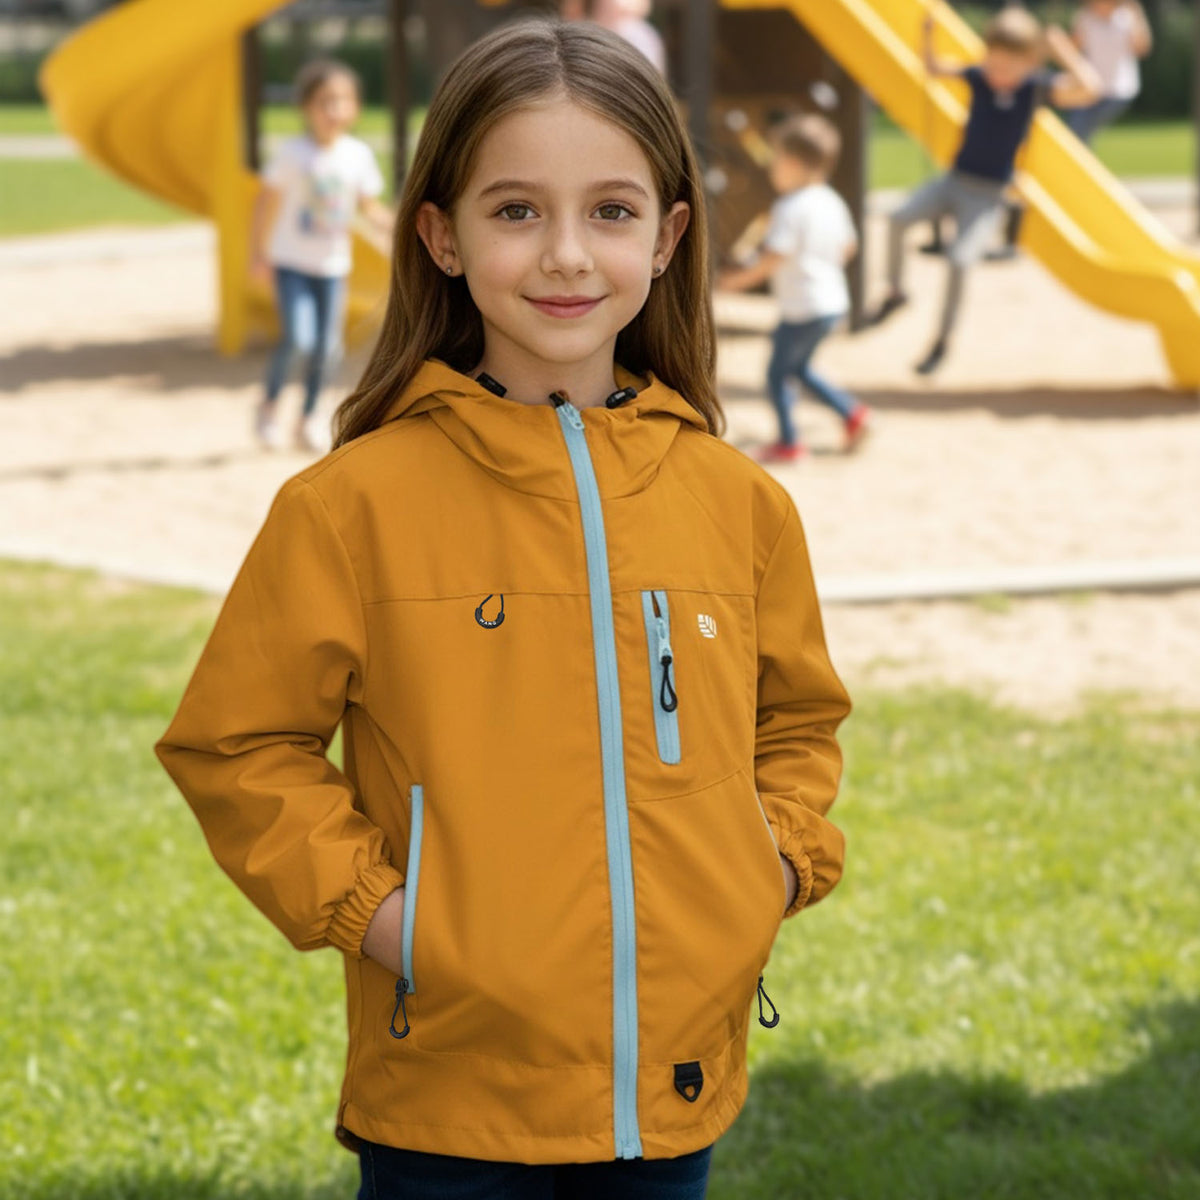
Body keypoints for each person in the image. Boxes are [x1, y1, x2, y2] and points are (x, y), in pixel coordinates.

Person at [156, 19, 850, 1200]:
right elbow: (237, 746)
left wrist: (768, 871)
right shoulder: (348, 507)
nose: (567, 255)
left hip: (672, 1101)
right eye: (517, 210)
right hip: (448, 1102)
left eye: (612, 211)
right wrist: (389, 918)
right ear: (442, 234)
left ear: (670, 236)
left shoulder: (741, 504)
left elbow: (797, 723)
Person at [871, 8, 1100, 375]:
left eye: (1008, 67)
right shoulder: (977, 77)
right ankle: (896, 292)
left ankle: (941, 340)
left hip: (988, 195)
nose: (998, 74)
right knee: (897, 219)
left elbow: (1090, 89)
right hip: (954, 180)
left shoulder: (1034, 88)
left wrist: (1063, 51)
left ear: (1029, 62)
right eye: (993, 63)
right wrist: (928, 35)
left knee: (960, 261)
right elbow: (932, 67)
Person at [249, 60, 393, 453]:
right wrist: (258, 254)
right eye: (324, 101)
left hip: (332, 267)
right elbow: (265, 202)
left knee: (328, 348)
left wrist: (395, 225)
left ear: (355, 107)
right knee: (299, 339)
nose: (334, 110)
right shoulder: (292, 153)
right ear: (307, 107)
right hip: (292, 263)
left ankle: (308, 418)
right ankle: (269, 407)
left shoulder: (357, 155)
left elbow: (369, 206)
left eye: (342, 101)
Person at [716, 113, 871, 463]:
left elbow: (772, 259)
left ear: (795, 164)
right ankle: (853, 414)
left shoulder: (789, 207)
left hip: (803, 307)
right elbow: (849, 247)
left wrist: (735, 283)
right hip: (831, 303)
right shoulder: (831, 200)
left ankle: (789, 442)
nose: (771, 169)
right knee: (799, 370)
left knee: (777, 375)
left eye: (776, 161)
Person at [1066, 0, 1152, 144]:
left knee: (1079, 130)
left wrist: (1137, 12)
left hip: (1118, 91)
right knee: (1077, 132)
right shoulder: (1085, 18)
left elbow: (1142, 49)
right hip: (1091, 88)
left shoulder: (1126, 18)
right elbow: (1071, 49)